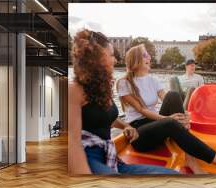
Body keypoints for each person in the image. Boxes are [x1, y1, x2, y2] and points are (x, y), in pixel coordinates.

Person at [116, 44, 216, 176]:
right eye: (145, 54)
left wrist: (184, 114)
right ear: (136, 59)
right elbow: (141, 109)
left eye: (148, 54)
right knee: (171, 123)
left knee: (173, 94)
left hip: (156, 123)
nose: (149, 56)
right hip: (140, 133)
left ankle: (190, 157)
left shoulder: (153, 80)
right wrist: (168, 119)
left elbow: (166, 98)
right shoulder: (124, 82)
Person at [68, 29, 178, 175]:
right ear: (96, 57)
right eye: (112, 55)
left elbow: (105, 118)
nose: (115, 60)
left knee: (173, 175)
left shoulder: (101, 88)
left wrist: (126, 125)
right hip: (89, 156)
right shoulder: (74, 90)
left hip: (111, 157)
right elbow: (73, 143)